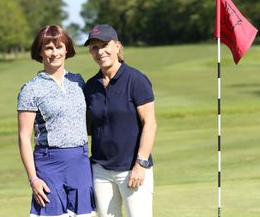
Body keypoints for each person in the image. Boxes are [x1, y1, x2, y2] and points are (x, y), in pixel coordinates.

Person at [17, 24, 95, 217]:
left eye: (59, 47)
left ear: (66, 49)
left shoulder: (78, 81)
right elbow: (24, 138)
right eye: (49, 48)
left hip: (80, 162)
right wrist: (33, 179)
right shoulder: (31, 89)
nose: (54, 53)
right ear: (40, 52)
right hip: (49, 164)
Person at [83, 24, 157, 217]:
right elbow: (89, 126)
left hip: (132, 168)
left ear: (117, 46)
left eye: (105, 45)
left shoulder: (136, 79)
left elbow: (150, 123)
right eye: (94, 47)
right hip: (100, 171)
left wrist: (141, 165)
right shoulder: (90, 86)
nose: (100, 51)